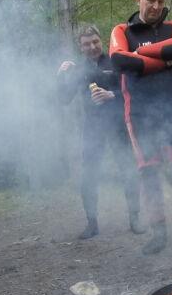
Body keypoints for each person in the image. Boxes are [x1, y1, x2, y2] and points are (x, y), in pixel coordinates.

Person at [110, 0, 172, 255]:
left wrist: (141, 55)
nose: (156, 6)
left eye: (161, 1)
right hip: (139, 114)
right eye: (151, 0)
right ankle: (159, 234)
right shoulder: (122, 30)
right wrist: (164, 60)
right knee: (148, 173)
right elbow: (119, 60)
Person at [56, 25, 143, 240]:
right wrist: (60, 76)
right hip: (92, 128)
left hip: (117, 124)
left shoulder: (116, 61)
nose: (92, 47)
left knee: (128, 171)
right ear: (81, 46)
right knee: (89, 176)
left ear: (101, 40)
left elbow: (134, 92)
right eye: (87, 44)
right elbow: (64, 99)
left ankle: (135, 220)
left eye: (95, 42)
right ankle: (92, 224)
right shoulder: (78, 70)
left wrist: (112, 95)